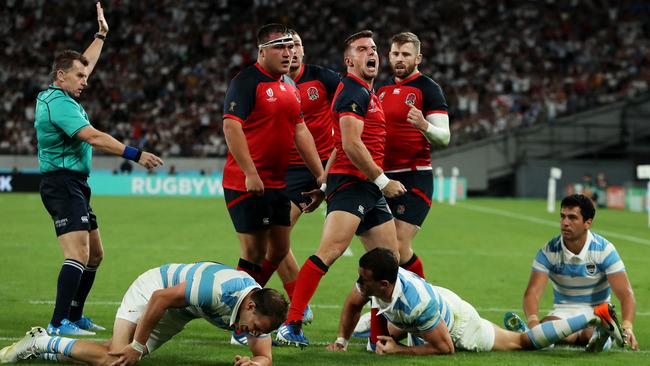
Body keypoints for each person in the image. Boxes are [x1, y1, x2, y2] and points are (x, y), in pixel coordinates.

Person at [34, 2, 163, 336]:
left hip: (77, 183)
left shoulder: (64, 95)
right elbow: (91, 136)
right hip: (61, 183)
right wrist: (135, 153)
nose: (85, 80)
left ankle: (74, 316)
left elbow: (86, 64)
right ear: (60, 76)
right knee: (77, 252)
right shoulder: (57, 103)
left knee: (95, 255)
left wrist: (101, 34)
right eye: (79, 76)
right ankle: (58, 322)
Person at [276, 30, 406, 348]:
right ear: (349, 61)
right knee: (330, 251)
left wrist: (322, 184)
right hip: (353, 184)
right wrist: (382, 180)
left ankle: (378, 335)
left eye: (373, 48)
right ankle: (290, 325)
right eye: (362, 49)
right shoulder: (352, 91)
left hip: (364, 186)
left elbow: (336, 144)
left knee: (391, 261)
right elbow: (350, 144)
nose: (371, 53)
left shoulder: (365, 92)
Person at [343, 31, 452, 347]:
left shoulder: (428, 89)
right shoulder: (382, 89)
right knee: (392, 255)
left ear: (418, 58)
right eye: (395, 54)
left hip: (415, 178)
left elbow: (444, 137)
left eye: (406, 54)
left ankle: (406, 322)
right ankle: (407, 316)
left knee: (394, 251)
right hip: (384, 179)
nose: (399, 59)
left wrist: (424, 125)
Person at [324, 248, 625, 355]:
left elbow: (445, 348)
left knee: (521, 342)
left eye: (364, 280)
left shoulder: (415, 304)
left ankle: (592, 317)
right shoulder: (376, 282)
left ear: (384, 283)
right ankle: (591, 328)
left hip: (460, 328)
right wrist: (341, 339)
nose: (359, 283)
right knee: (387, 330)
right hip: (442, 303)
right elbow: (353, 302)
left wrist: (398, 351)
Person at [0, 262, 289, 366]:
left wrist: (257, 363)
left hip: (180, 312)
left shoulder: (261, 309)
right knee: (118, 357)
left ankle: (47, 351)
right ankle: (39, 342)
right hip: (156, 288)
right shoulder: (217, 290)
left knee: (109, 357)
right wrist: (137, 346)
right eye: (254, 328)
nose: (253, 334)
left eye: (260, 332)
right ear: (250, 306)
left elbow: (264, 357)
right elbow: (160, 298)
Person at [222, 23, 325, 292]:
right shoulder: (246, 82)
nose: (288, 52)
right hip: (246, 183)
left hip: (278, 184)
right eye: (280, 47)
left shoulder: (289, 85)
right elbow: (231, 126)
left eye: (291, 46)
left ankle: (246, 302)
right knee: (254, 253)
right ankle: (239, 315)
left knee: (279, 249)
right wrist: (250, 173)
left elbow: (300, 129)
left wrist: (320, 174)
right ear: (262, 51)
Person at [504, 194, 639, 351]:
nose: (565, 223)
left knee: (586, 336)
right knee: (560, 332)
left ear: (588, 223)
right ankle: (602, 335)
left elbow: (626, 294)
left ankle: (601, 334)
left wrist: (627, 326)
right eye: (562, 217)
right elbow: (532, 292)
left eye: (572, 218)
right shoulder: (549, 251)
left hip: (598, 310)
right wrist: (534, 323)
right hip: (564, 312)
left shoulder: (604, 250)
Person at [270, 29, 340, 328]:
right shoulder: (270, 85)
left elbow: (355, 102)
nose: (293, 50)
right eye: (287, 46)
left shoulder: (323, 78)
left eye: (297, 44)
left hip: (332, 164)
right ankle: (300, 303)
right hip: (294, 170)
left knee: (376, 238)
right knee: (276, 236)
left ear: (303, 51)